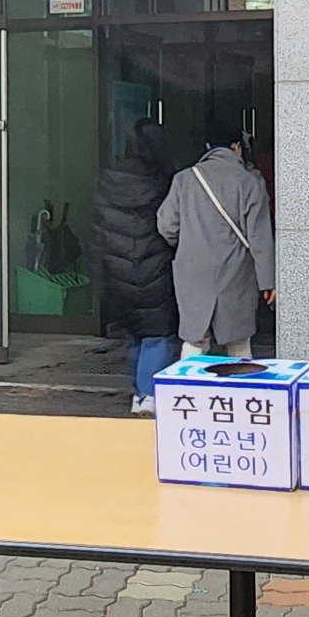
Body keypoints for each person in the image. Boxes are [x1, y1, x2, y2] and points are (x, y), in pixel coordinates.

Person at [159, 122, 276, 359]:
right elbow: (259, 238)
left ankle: (189, 382)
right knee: (238, 342)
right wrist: (268, 282)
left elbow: (166, 226)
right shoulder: (249, 182)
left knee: (195, 340)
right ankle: (240, 383)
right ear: (236, 147)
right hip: (236, 272)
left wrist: (188, 244)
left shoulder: (184, 179)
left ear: (207, 147)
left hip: (193, 271)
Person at [88, 118, 179, 416]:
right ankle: (149, 394)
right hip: (155, 270)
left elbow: (98, 234)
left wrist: (99, 276)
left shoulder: (109, 180)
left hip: (117, 272)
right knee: (158, 334)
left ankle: (139, 393)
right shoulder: (164, 180)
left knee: (134, 335)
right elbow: (172, 226)